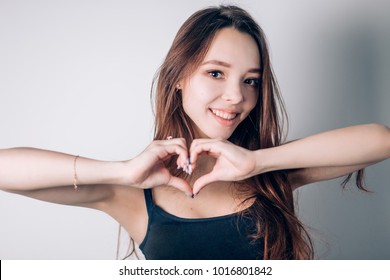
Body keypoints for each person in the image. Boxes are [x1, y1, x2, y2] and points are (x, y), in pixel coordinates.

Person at [0, 5, 389, 260]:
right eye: (215, 72)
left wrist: (257, 162)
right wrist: (121, 171)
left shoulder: (271, 176)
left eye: (251, 81)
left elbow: (381, 139)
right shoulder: (132, 194)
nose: (236, 96)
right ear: (180, 78)